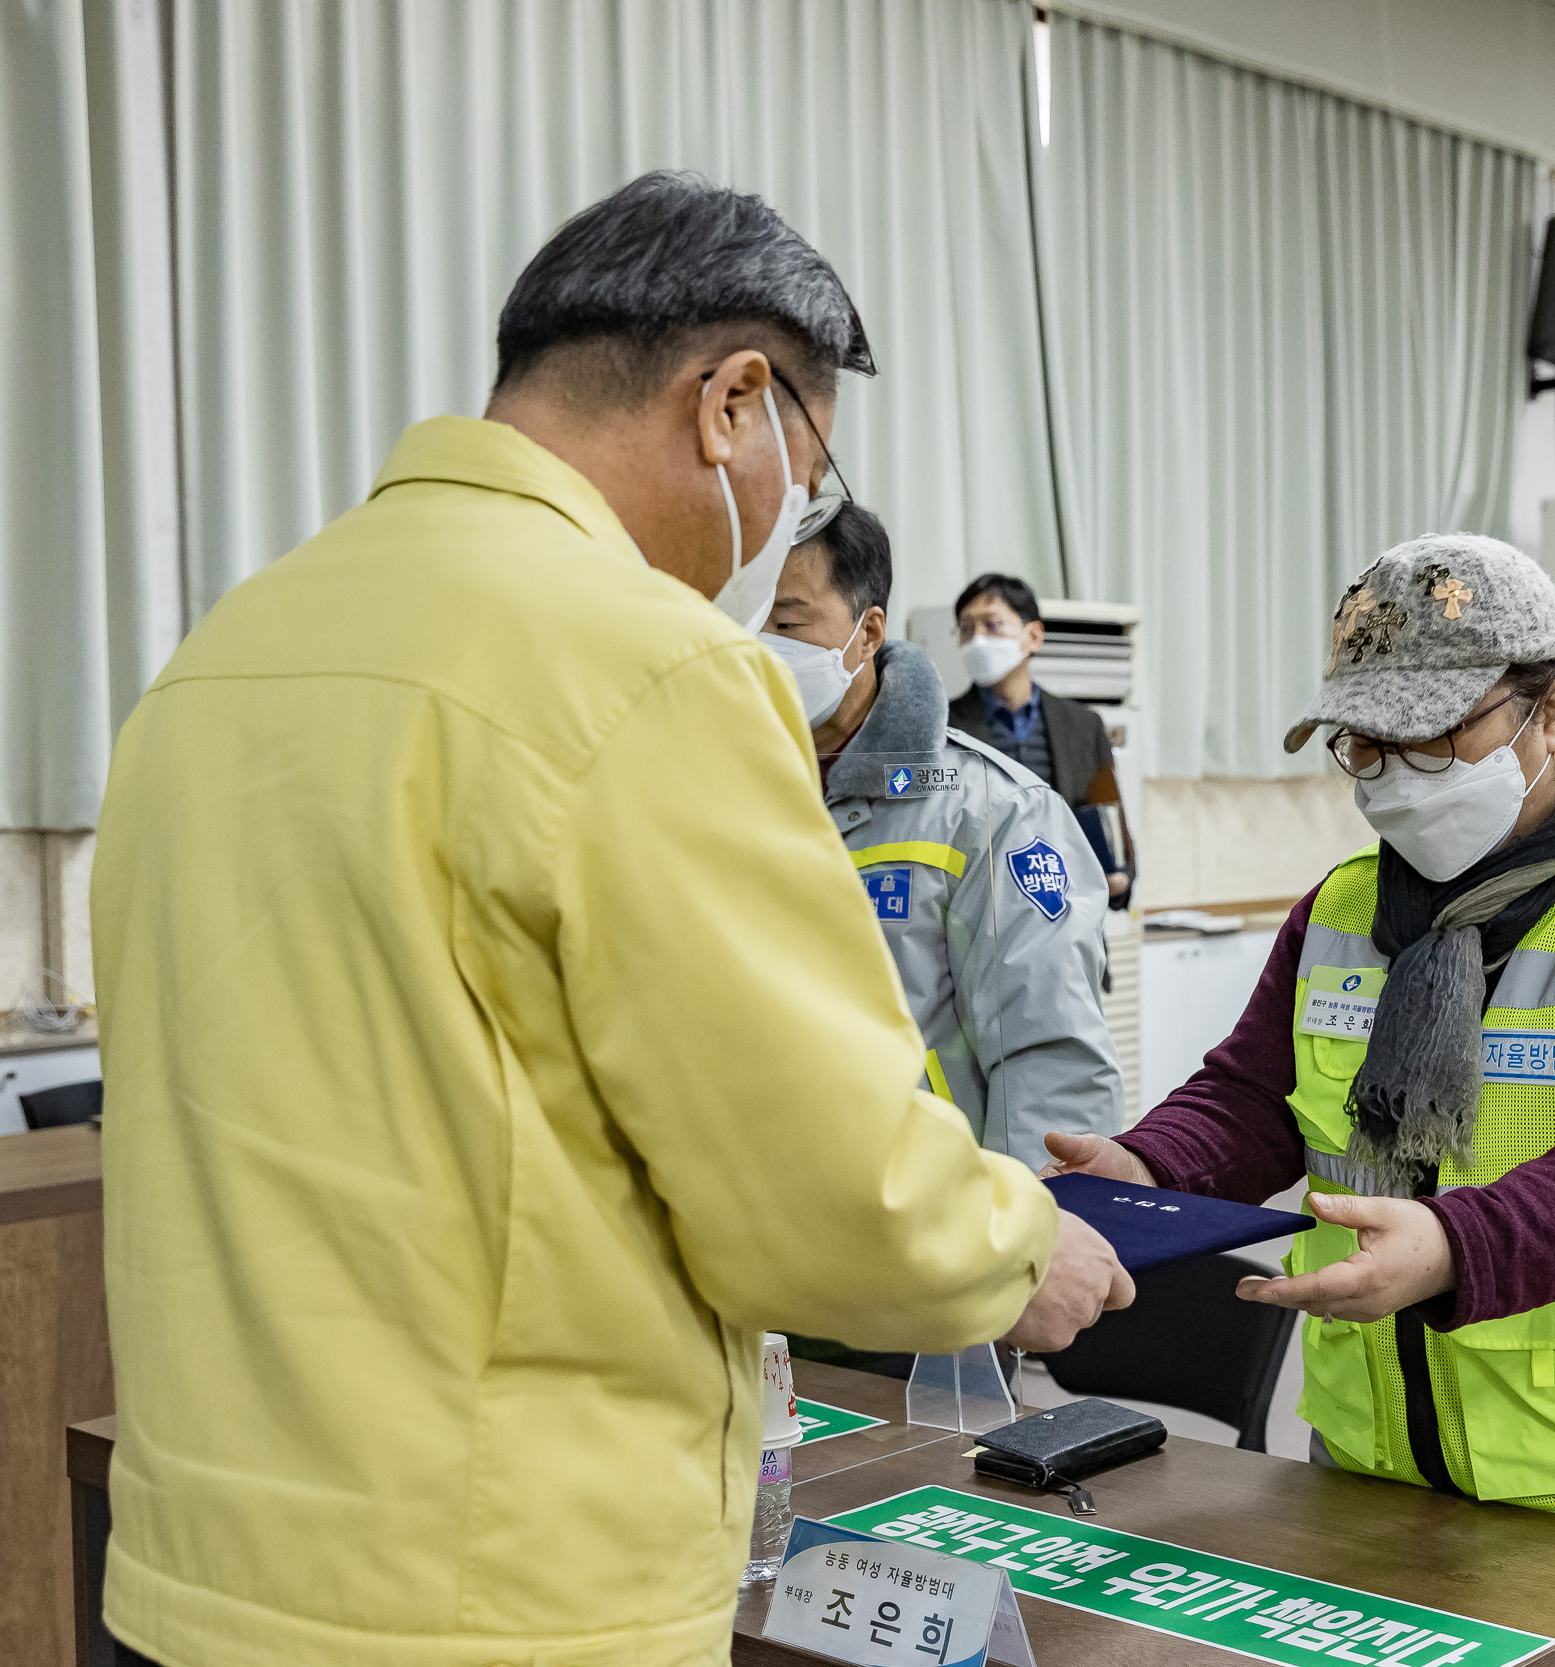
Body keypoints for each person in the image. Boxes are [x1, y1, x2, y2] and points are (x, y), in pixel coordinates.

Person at [89, 172, 1131, 1667]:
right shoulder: (641, 665)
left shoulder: (223, 654)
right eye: (807, 473)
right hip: (494, 1585)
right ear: (732, 404)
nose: (786, 522)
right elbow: (823, 1179)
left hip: (199, 1567)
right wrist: (1020, 1251)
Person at [1043, 534, 1555, 1667]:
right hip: (1384, 1482)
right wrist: (1148, 1169)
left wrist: (1455, 1241)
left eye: (1437, 732)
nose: (1400, 770)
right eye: (1367, 744)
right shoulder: (1343, 906)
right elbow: (1255, 1093)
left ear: (1552, 713)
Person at [762, 504, 1124, 1169]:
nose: (763, 645)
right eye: (748, 621)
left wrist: (1027, 1238)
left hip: (929, 1216)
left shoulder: (994, 803)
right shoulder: (726, 790)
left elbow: (1047, 1057)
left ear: (868, 632)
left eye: (786, 623)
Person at [950, 572, 1136, 907]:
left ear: (1033, 636)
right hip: (982, 914)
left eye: (992, 625)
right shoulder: (942, 727)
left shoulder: (1083, 726)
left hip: (1069, 911)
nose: (977, 639)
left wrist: (1119, 876)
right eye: (966, 628)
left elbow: (1113, 827)